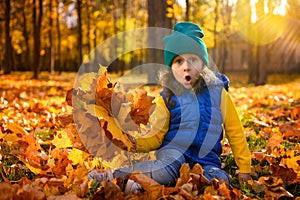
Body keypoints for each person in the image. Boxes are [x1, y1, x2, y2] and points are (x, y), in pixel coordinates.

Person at [88, 22, 251, 193]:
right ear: (171, 69)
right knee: (165, 171)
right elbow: (157, 134)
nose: (186, 66)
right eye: (178, 61)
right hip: (174, 155)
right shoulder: (167, 98)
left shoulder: (218, 94)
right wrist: (133, 142)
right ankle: (115, 176)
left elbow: (235, 131)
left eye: (193, 59)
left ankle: (152, 185)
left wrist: (244, 167)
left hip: (207, 160)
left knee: (220, 180)